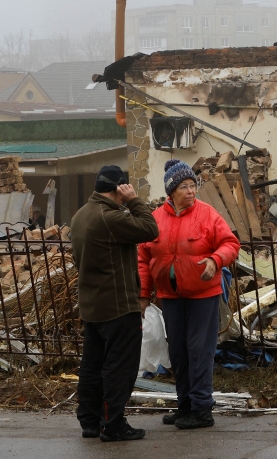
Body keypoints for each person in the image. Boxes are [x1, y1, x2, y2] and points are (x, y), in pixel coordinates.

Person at [138, 159, 240, 430]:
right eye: (184, 186)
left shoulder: (207, 214)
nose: (191, 191)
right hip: (170, 297)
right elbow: (143, 258)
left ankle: (202, 409)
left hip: (203, 295)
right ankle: (185, 406)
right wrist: (143, 294)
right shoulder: (156, 218)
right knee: (179, 352)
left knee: (199, 350)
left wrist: (215, 261)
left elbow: (231, 243)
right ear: (171, 190)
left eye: (193, 185)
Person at [71, 165, 159, 442]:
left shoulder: (80, 216)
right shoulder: (109, 217)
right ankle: (113, 423)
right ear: (120, 187)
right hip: (119, 306)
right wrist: (134, 200)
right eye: (124, 189)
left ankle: (90, 421)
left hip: (92, 305)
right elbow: (150, 229)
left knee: (93, 365)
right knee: (119, 367)